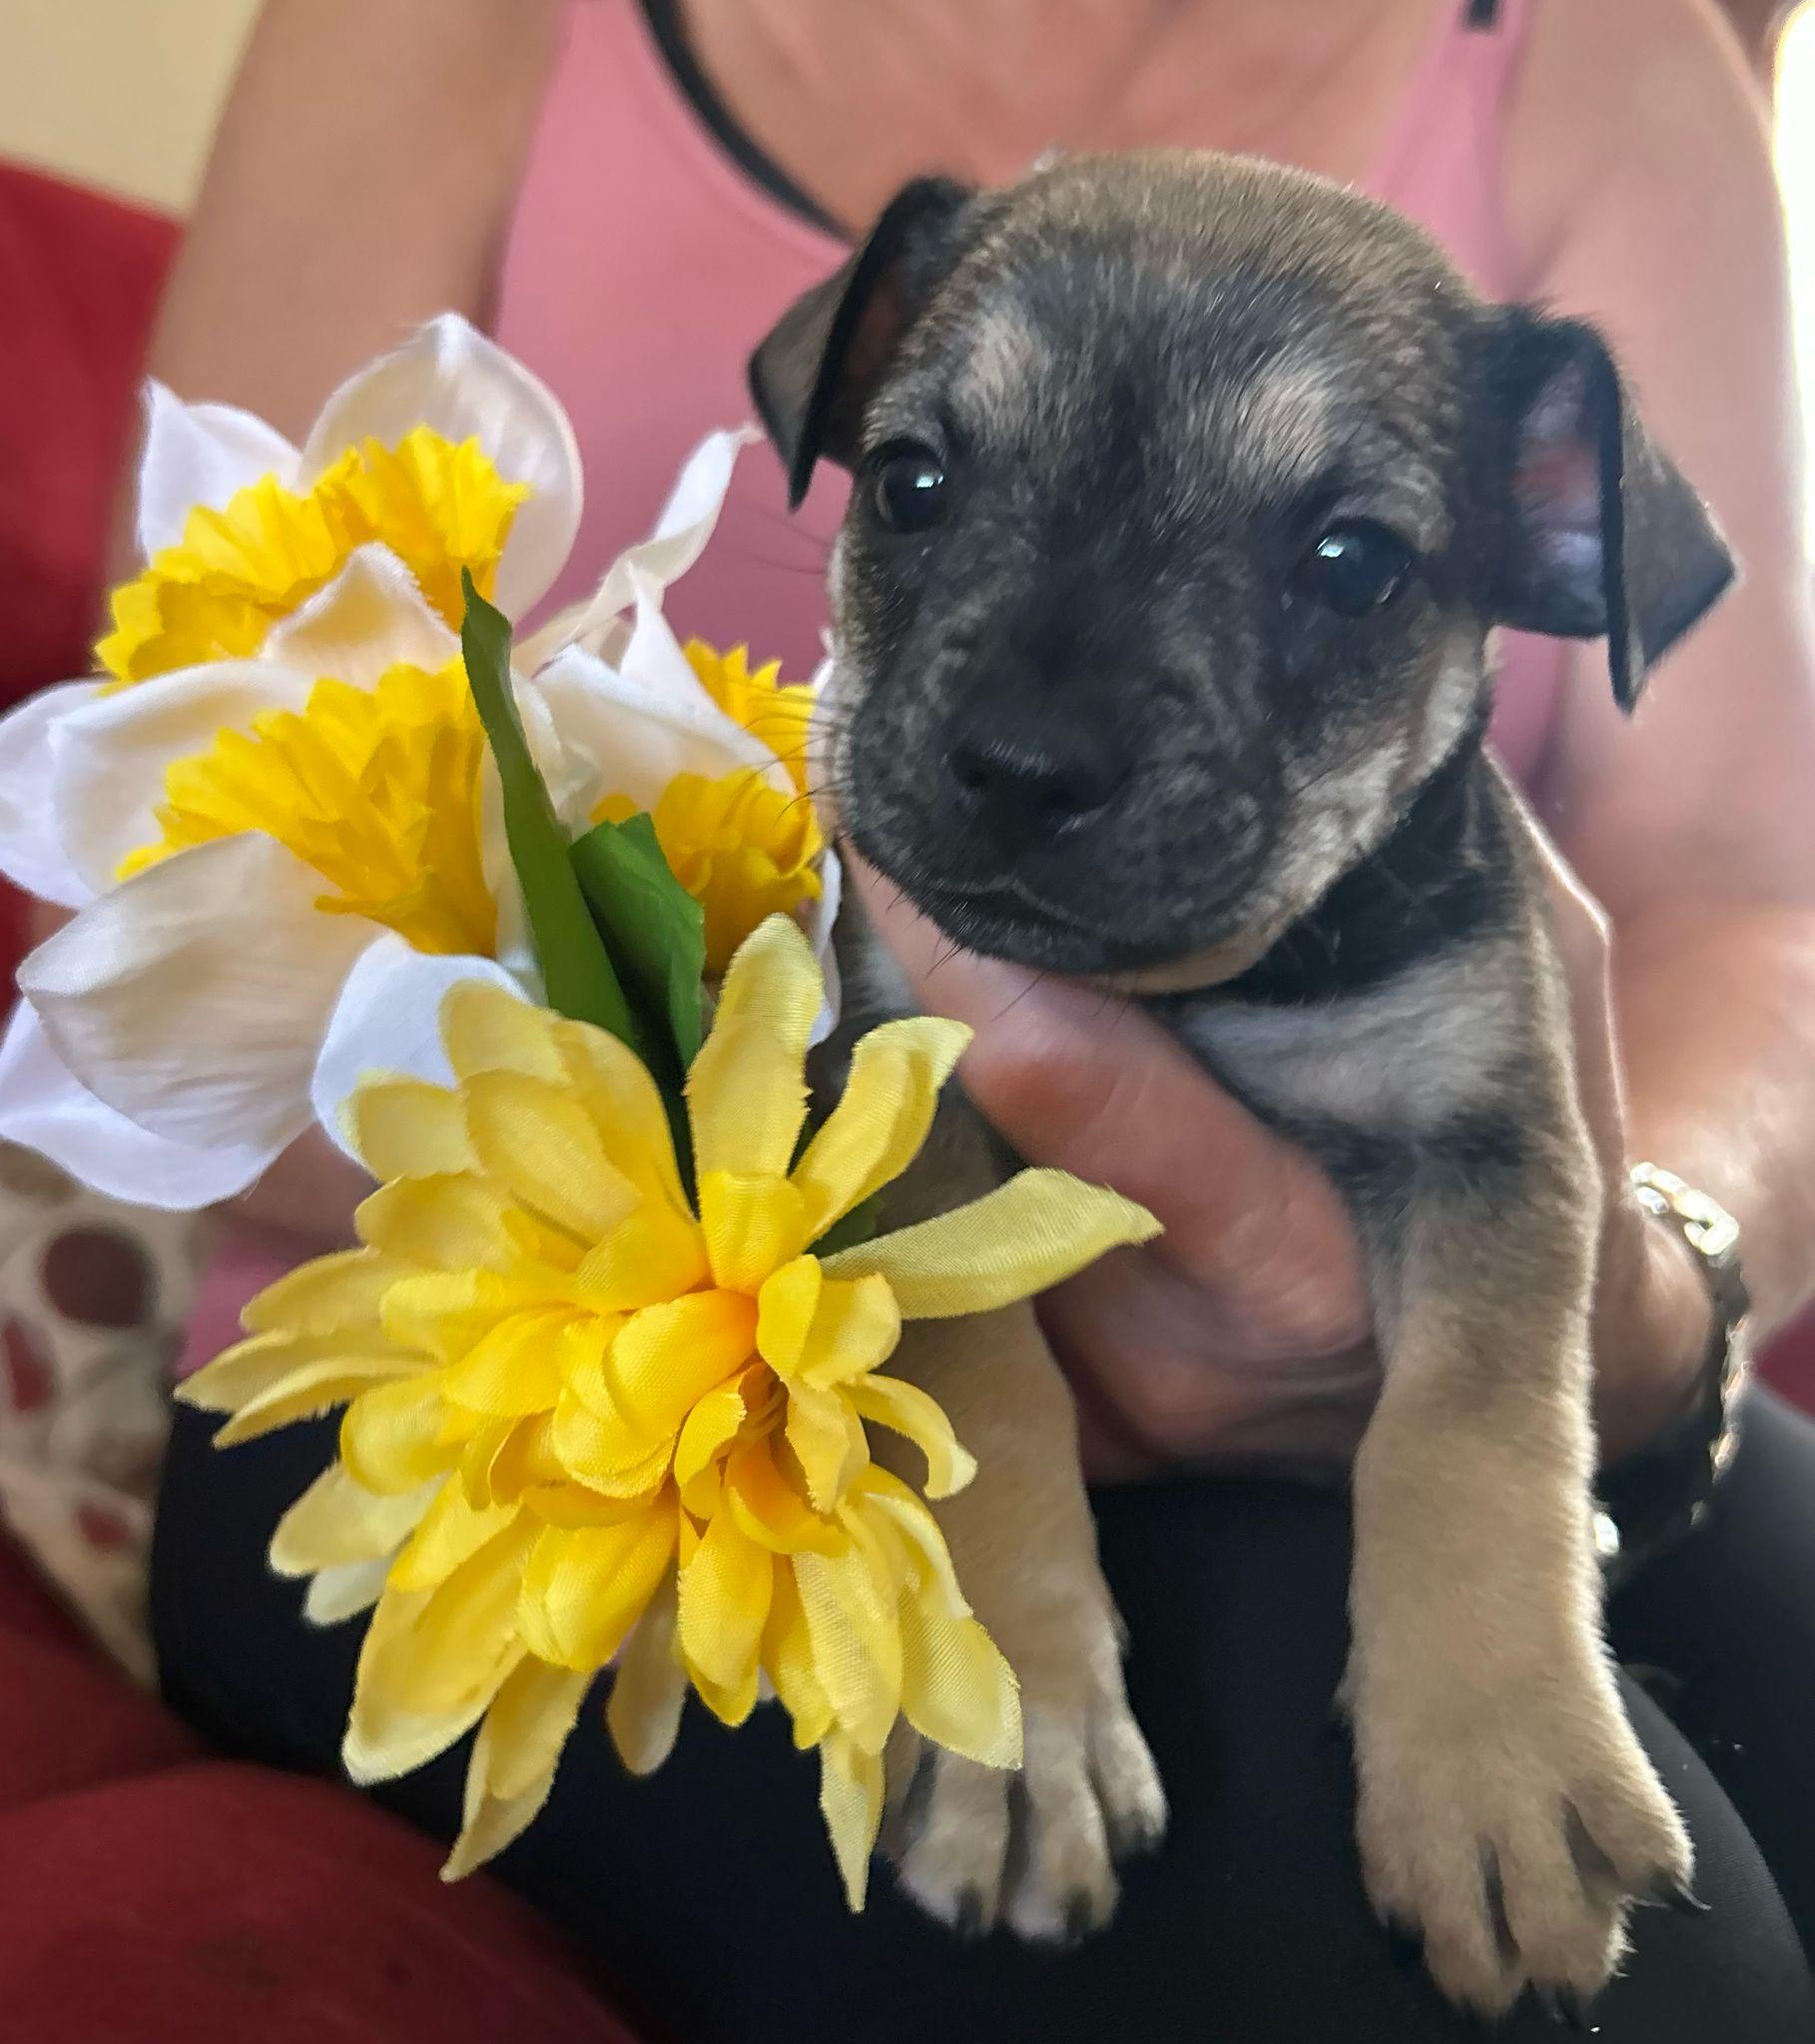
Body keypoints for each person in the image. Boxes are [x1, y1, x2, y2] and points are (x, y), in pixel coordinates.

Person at [143, 2, 1815, 2037]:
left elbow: (1740, 905)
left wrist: (1640, 1311)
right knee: (1617, 1997)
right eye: (922, 479)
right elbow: (164, 861)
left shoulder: (1598, 60)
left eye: (1344, 560)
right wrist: (979, 1476)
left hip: (1404, 1377)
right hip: (580, 1385)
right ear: (845, 412)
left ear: (1554, 545)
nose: (1033, 728)